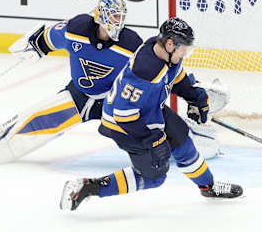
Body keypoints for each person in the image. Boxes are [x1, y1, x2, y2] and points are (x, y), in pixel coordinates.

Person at [59, 17, 243, 211]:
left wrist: (193, 95)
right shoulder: (144, 71)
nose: (185, 54)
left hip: (148, 110)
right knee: (155, 176)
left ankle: (209, 187)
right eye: (183, 49)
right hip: (123, 125)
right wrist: (152, 140)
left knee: (182, 141)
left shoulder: (162, 51)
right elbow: (124, 114)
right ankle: (88, 187)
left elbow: (175, 74)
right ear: (170, 44)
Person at [0, 0, 143, 163]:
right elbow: (49, 38)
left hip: (113, 100)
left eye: (121, 17)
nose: (119, 21)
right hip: (79, 96)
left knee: (144, 126)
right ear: (102, 15)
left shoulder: (131, 44)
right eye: (115, 16)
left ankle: (166, 150)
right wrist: (36, 47)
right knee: (38, 121)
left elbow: (145, 74)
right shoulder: (77, 29)